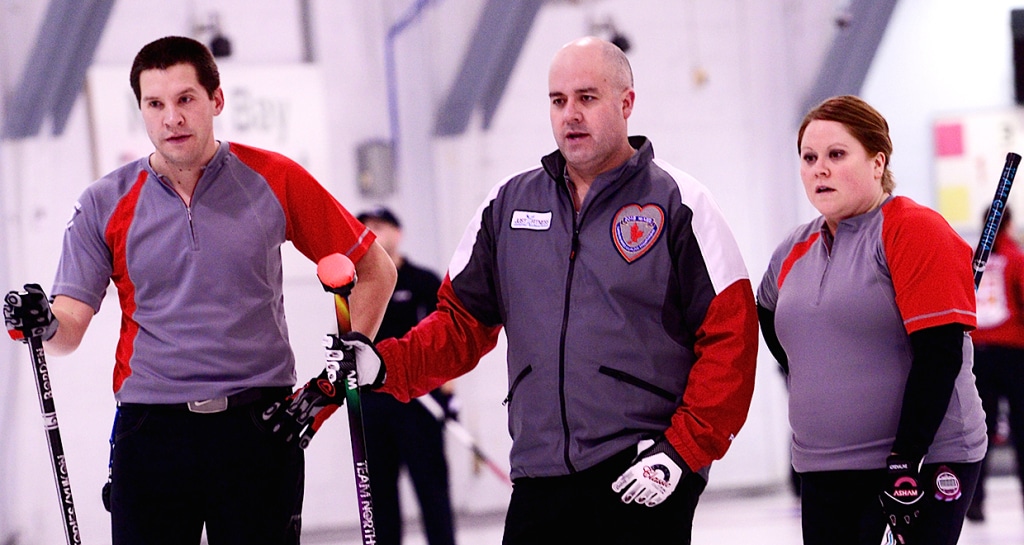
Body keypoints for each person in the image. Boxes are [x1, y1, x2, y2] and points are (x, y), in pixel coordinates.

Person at [290, 36, 759, 544]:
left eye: (587, 98)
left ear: (626, 103)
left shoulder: (680, 204)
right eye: (558, 101)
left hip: (641, 469)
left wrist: (683, 451)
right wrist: (388, 365)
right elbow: (460, 324)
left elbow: (732, 338)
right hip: (539, 475)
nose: (570, 115)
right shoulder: (507, 206)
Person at [2, 36, 396, 545]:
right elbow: (67, 329)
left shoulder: (274, 178)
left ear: (216, 100)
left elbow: (375, 270)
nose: (172, 118)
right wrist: (42, 323)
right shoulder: (105, 202)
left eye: (186, 99)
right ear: (141, 110)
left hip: (259, 428)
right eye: (155, 104)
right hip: (151, 434)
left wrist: (331, 382)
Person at [756, 95, 986, 545]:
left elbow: (940, 353)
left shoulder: (913, 230)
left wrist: (907, 455)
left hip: (923, 460)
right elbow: (771, 321)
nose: (819, 168)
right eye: (809, 157)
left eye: (836, 155)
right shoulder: (792, 249)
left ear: (877, 162)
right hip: (823, 463)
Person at [355, 206, 457, 545]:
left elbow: (448, 340)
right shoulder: (353, 286)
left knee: (432, 489)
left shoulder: (423, 281)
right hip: (372, 405)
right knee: (379, 497)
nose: (373, 232)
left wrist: (448, 395)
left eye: (380, 226)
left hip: (419, 402)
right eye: (365, 227)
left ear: (397, 232)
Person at [966, 205, 1024, 523]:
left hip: (977, 352)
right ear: (1010, 223)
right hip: (1014, 351)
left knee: (979, 432)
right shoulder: (1016, 258)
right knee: (1021, 429)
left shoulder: (971, 260)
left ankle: (974, 502)